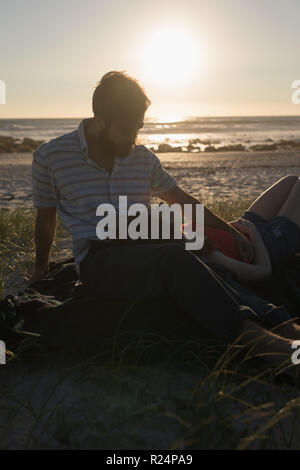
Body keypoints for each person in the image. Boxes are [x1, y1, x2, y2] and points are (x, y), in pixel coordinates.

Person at [28, 70, 300, 368]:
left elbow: (183, 201)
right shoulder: (51, 157)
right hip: (99, 259)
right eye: (130, 129)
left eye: (139, 128)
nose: (135, 138)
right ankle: (264, 345)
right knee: (174, 256)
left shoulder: (142, 158)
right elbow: (46, 217)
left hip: (146, 243)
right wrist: (41, 267)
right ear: (102, 119)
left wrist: (231, 233)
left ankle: (284, 327)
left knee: (201, 261)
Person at [186, 176, 300, 282]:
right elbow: (264, 271)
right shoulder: (207, 254)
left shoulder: (184, 233)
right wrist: (254, 233)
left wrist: (231, 227)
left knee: (291, 179)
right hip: (267, 244)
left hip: (244, 226)